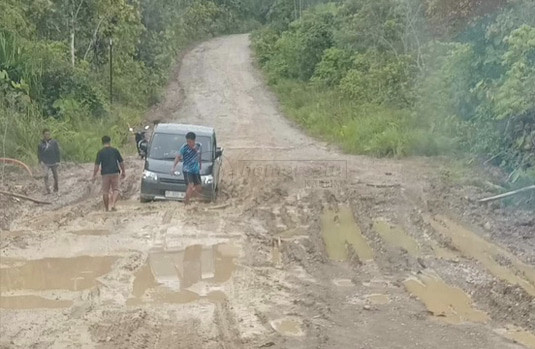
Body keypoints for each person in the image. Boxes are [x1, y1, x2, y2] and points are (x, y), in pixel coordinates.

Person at [92, 136, 125, 211]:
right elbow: (121, 162)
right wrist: (123, 171)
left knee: (105, 191)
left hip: (105, 174)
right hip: (115, 172)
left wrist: (94, 174)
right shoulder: (115, 150)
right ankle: (113, 204)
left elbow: (97, 165)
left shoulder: (100, 152)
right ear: (110, 142)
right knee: (116, 189)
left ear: (102, 142)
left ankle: (107, 209)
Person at [171, 132, 202, 205]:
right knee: (190, 186)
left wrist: (200, 165)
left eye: (190, 142)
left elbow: (199, 155)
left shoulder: (198, 146)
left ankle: (189, 198)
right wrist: (173, 167)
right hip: (187, 170)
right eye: (187, 141)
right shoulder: (184, 147)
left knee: (199, 187)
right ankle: (186, 203)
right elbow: (178, 157)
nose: (188, 143)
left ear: (194, 141)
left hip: (196, 170)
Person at [37, 129, 60, 194]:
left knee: (55, 176)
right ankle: (48, 189)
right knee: (45, 175)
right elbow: (39, 154)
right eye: (46, 134)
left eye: (48, 134)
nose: (47, 135)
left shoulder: (54, 142)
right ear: (43, 135)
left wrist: (58, 161)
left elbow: (57, 151)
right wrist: (40, 161)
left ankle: (56, 187)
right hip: (45, 162)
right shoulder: (40, 144)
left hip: (53, 161)